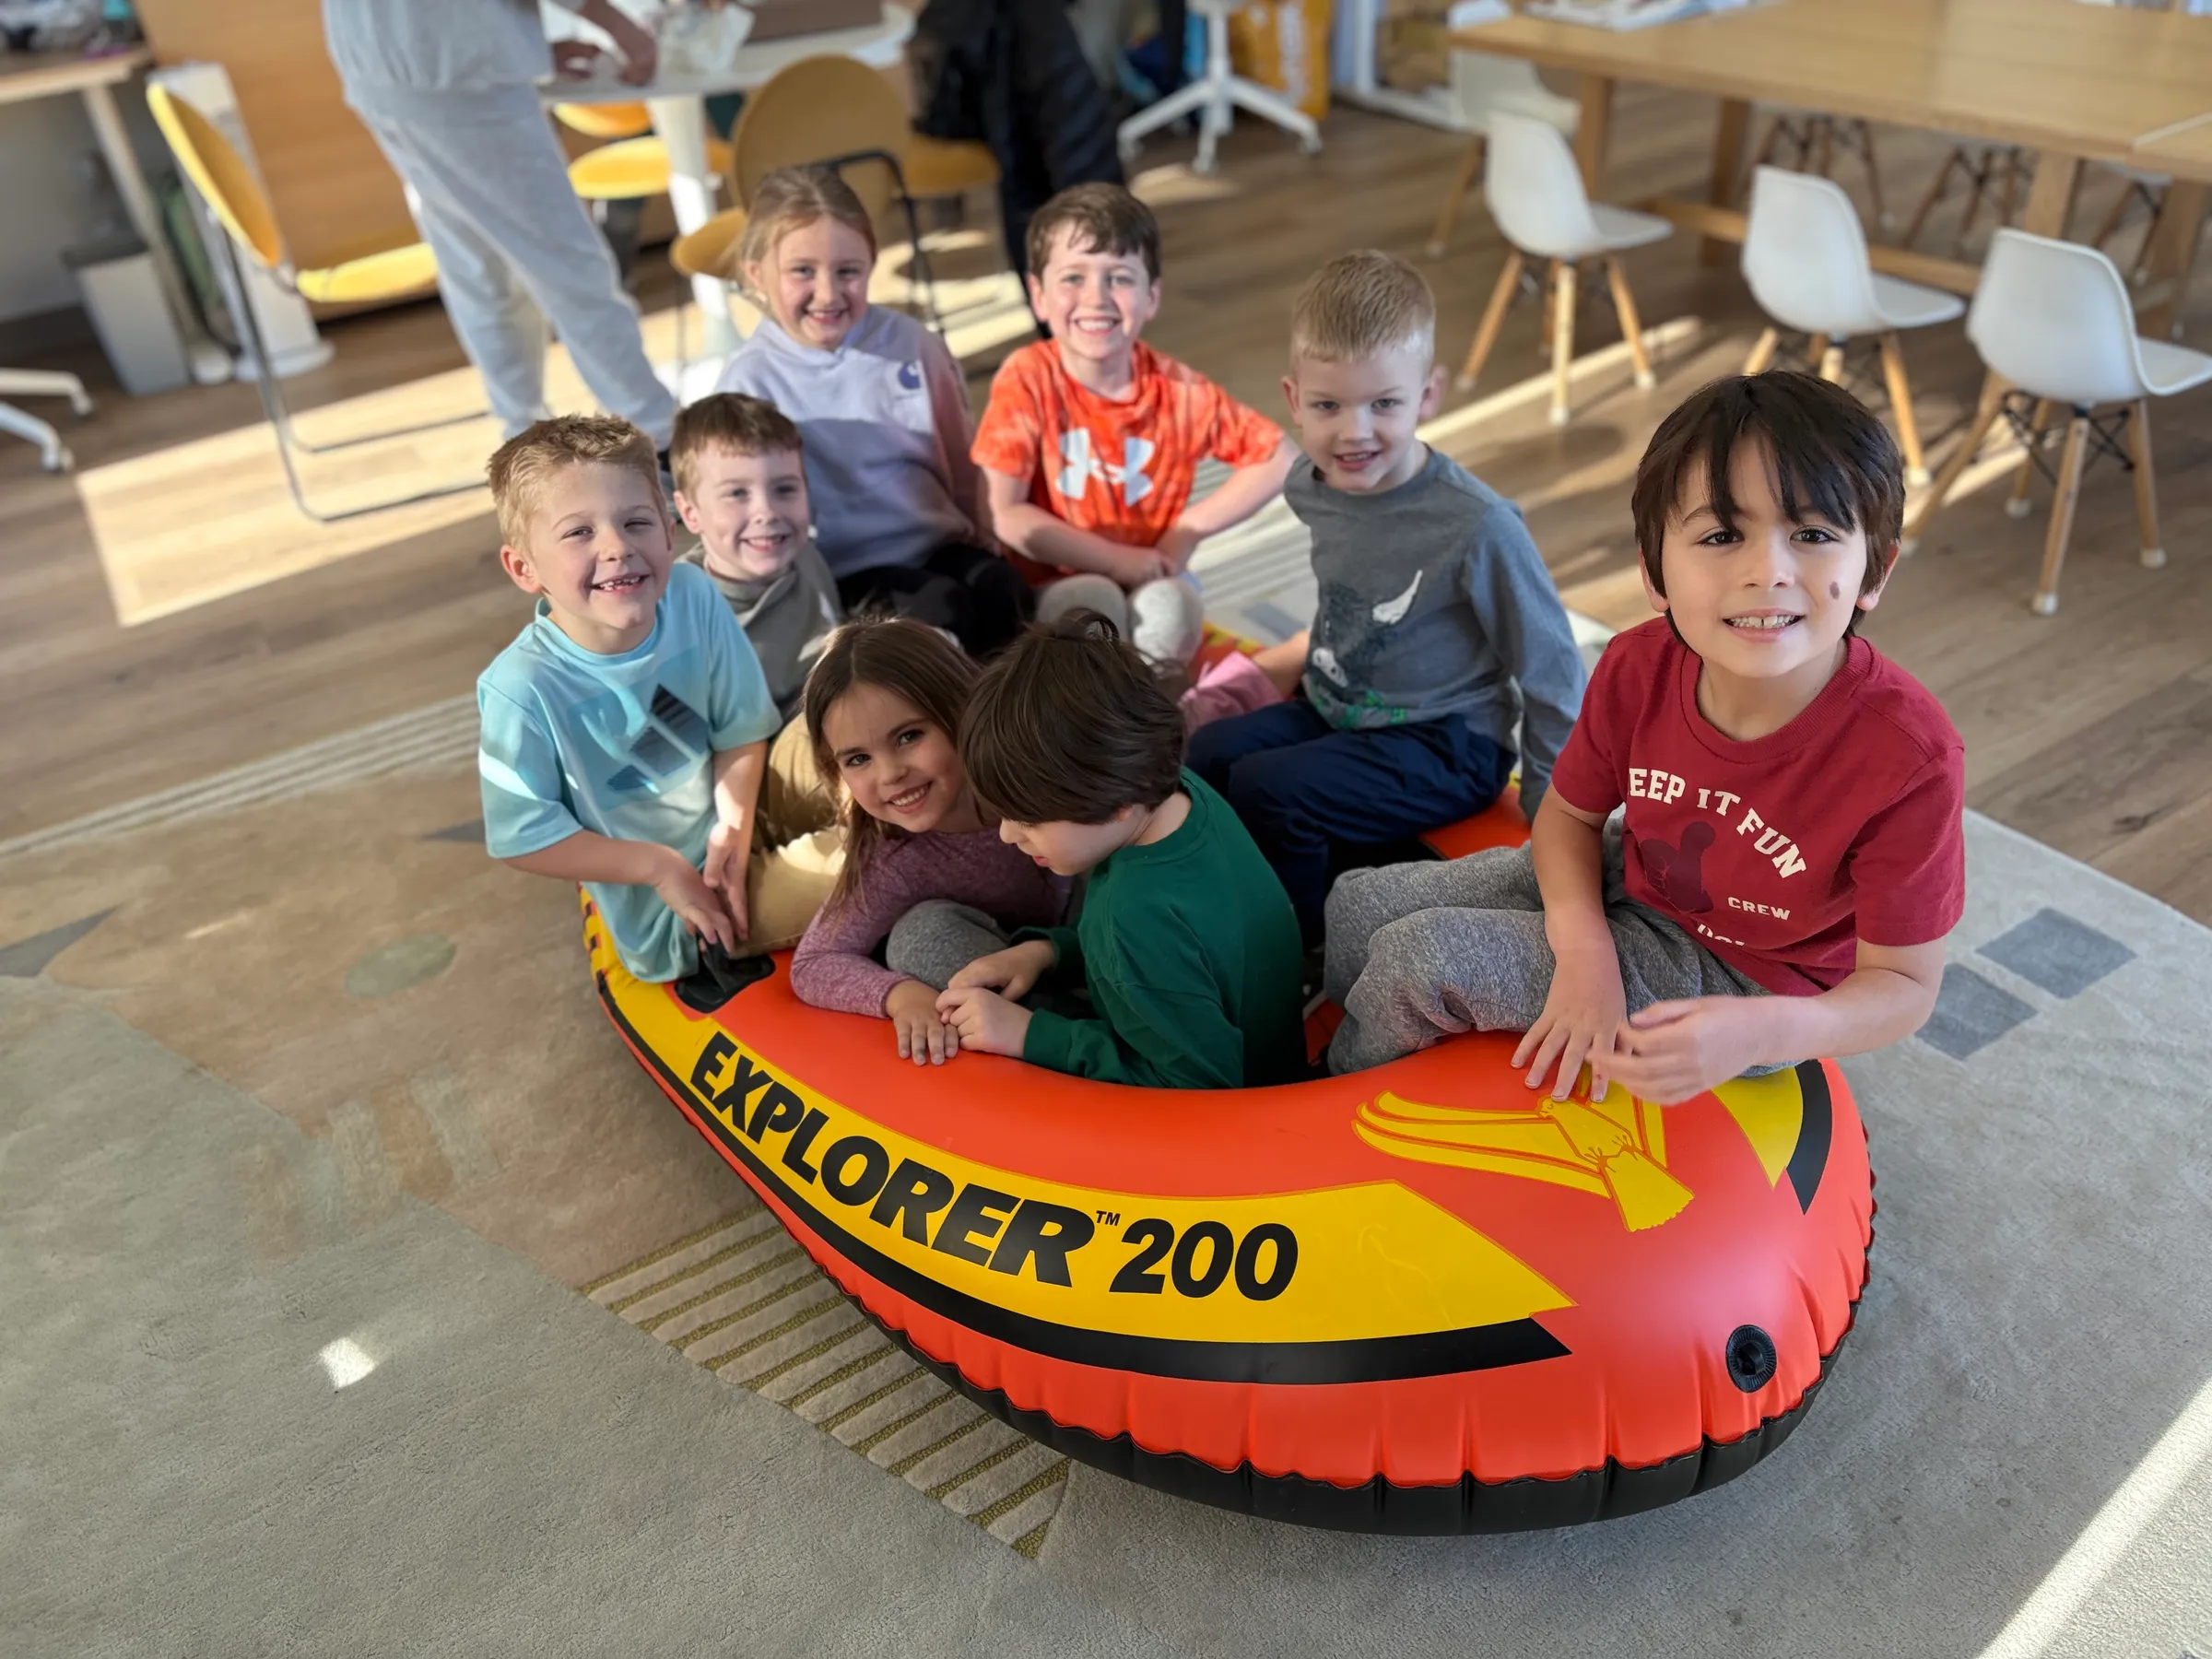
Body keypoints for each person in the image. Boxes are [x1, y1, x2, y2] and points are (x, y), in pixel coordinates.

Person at [1325, 371, 1963, 1103]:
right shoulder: (1637, 662)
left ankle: (1331, 1093)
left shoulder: (1910, 757)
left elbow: (1904, 984)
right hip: (1634, 874)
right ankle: (1341, 1022)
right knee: (1356, 904)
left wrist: (1763, 1032)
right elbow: (1569, 815)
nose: (1769, 572)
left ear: (1874, 570)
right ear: (1655, 572)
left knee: (1421, 957)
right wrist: (1584, 948)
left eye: (1814, 535)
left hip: (1746, 982)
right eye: (1723, 535)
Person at [1187, 251, 1586, 941]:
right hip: (1339, 710)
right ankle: (1222, 904)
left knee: (1268, 792)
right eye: (1327, 406)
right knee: (1209, 754)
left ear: (1427, 396)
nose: (1355, 432)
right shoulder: (1311, 486)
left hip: (1450, 742)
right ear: (1293, 400)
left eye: (1385, 404)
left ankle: (1301, 951)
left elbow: (1551, 665)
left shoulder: (1477, 523)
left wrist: (1557, 808)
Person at [475, 415, 834, 981]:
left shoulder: (693, 593)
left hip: (740, 820)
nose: (617, 547)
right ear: (524, 567)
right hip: (675, 916)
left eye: (636, 522)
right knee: (861, 863)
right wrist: (660, 868)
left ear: (670, 532)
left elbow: (740, 732)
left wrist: (732, 832)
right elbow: (522, 836)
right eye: (578, 532)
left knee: (861, 733)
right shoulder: (520, 688)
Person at [936, 612, 1306, 1089]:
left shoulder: (1131, 918)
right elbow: (1193, 955)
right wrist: (1048, 951)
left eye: (1029, 817)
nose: (1008, 835)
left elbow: (1201, 1088)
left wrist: (1030, 1034)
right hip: (1273, 1049)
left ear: (1116, 801)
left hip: (1243, 1107)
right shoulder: (1179, 792)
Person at [324, 0, 679, 449]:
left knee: (480, 267)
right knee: (568, 264)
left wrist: (511, 42)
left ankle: (524, 439)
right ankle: (656, 437)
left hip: (386, 60)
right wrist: (622, 28)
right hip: (452, 68)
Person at [971, 183, 1294, 668]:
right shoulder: (1028, 377)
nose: (1096, 298)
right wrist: (1114, 560)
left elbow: (1281, 456)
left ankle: (1154, 723)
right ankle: (1088, 730)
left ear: (1152, 297)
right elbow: (1003, 514)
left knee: (1174, 608)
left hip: (1151, 576)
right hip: (1051, 587)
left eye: (1119, 278)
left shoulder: (1178, 390)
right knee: (1090, 604)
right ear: (1037, 296)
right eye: (1073, 278)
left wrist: (1186, 531)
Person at [713, 167, 1030, 657]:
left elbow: (962, 457)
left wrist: (988, 535)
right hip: (846, 572)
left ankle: (1023, 719)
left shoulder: (913, 344)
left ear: (871, 265)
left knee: (1005, 592)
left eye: (848, 272)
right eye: (802, 271)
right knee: (940, 616)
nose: (827, 293)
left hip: (939, 545)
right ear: (758, 273)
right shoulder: (748, 384)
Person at [789, 618, 1068, 1065]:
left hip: (1104, 934)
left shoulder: (1031, 761)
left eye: (908, 737)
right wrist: (898, 993)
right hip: (1028, 977)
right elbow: (814, 962)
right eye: (859, 759)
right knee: (919, 936)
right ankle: (1071, 1030)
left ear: (960, 709)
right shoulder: (895, 857)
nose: (890, 773)